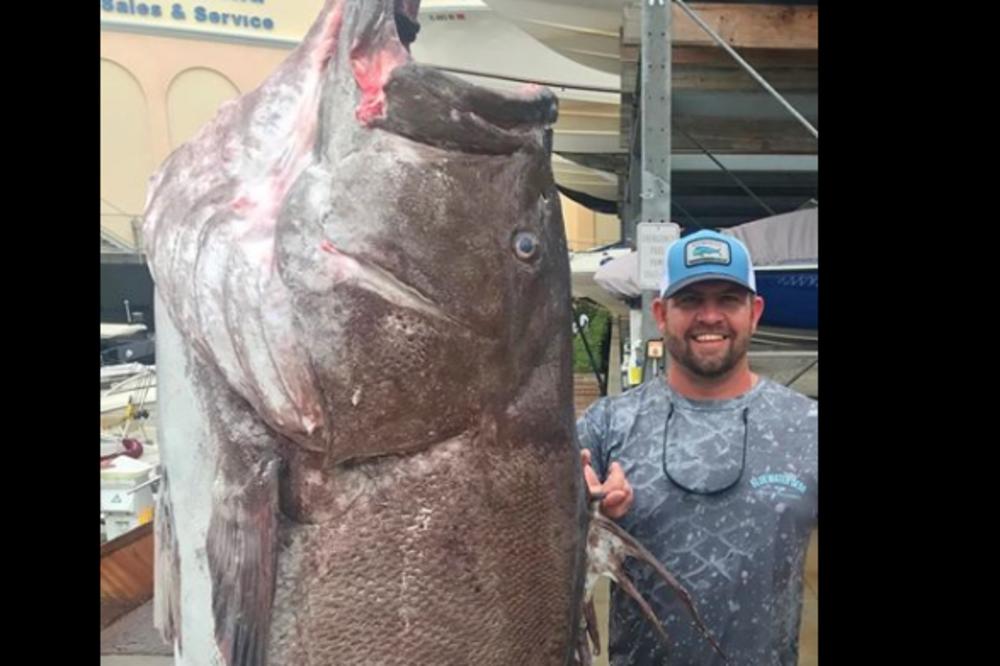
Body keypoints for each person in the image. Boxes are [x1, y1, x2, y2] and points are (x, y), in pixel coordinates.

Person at [578, 228, 818, 666]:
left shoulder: (807, 426)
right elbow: (527, 540)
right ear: (661, 313)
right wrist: (579, 505)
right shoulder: (606, 426)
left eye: (728, 299)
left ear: (754, 313)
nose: (710, 316)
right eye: (690, 300)